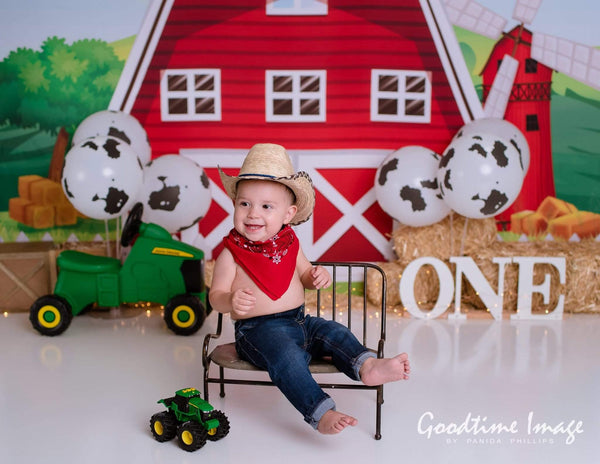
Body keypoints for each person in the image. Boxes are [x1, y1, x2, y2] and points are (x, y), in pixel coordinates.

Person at [209, 143, 410, 435]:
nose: (253, 213)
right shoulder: (231, 253)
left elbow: (303, 273)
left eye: (266, 206)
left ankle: (367, 367)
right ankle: (320, 411)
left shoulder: (290, 244)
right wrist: (229, 299)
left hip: (300, 321)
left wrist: (314, 275)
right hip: (257, 332)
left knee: (334, 331)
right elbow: (215, 297)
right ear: (235, 204)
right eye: (244, 203)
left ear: (288, 214)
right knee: (286, 358)